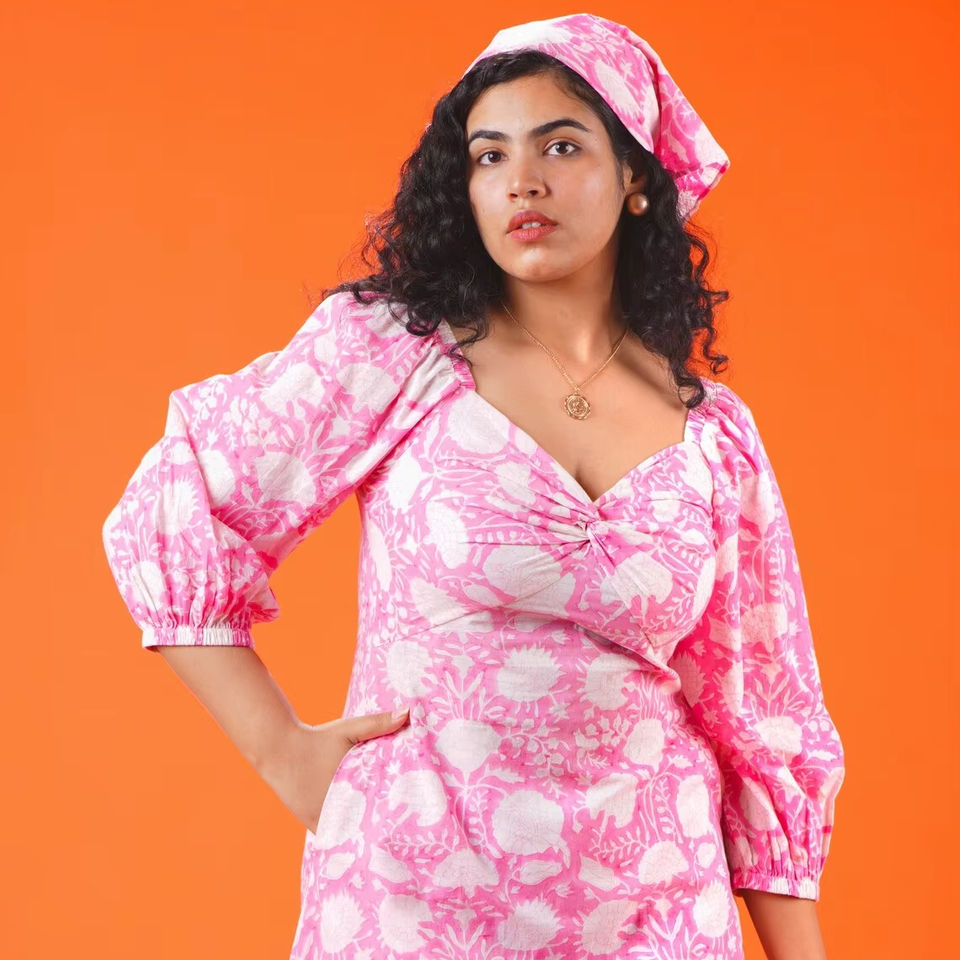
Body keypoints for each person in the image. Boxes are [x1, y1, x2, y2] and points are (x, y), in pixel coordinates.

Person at [102, 13, 845, 960]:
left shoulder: (715, 434)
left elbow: (762, 720)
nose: (521, 180)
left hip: (661, 918)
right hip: (412, 910)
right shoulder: (396, 353)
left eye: (560, 145)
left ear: (636, 178)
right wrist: (284, 754)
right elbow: (175, 505)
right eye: (489, 156)